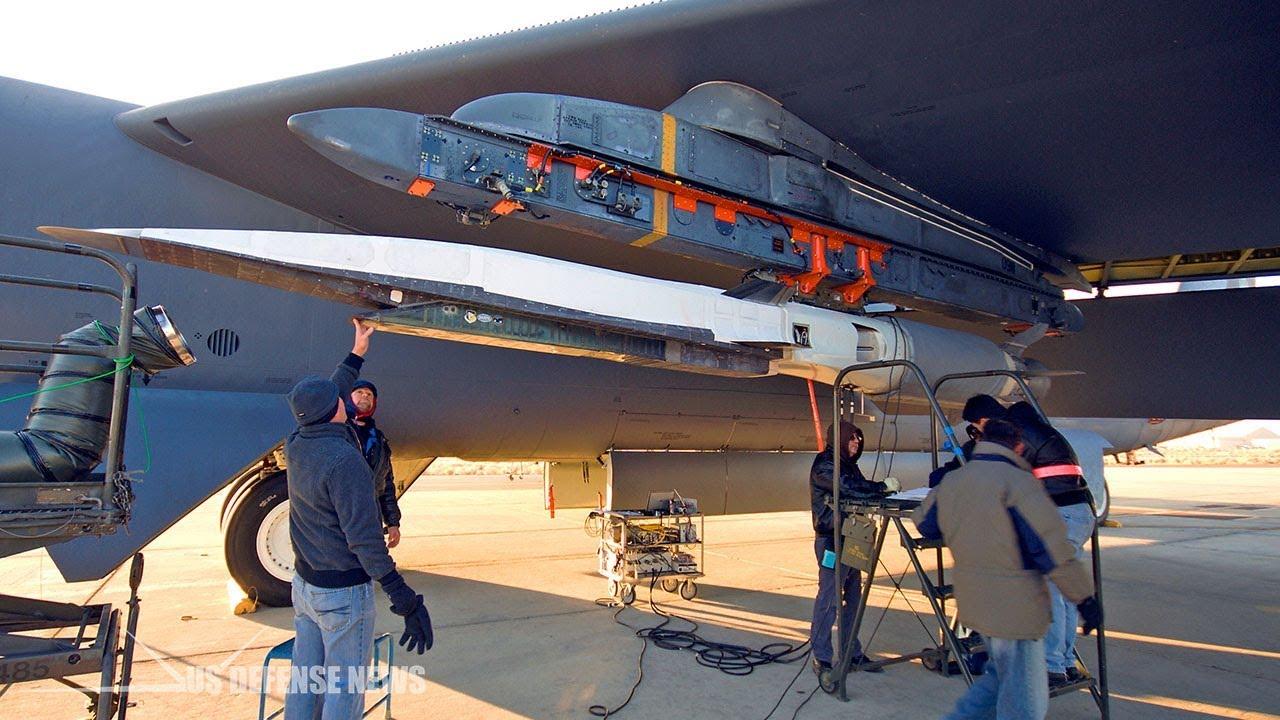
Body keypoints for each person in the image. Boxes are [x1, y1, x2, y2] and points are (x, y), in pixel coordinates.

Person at [284, 320, 433, 720]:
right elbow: (365, 541)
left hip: (306, 585)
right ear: (335, 409)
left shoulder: (297, 441)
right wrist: (403, 598)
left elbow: (329, 393)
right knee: (343, 691)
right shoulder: (344, 463)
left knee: (305, 680)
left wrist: (357, 353)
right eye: (340, 398)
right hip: (342, 594)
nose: (346, 397)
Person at [912, 420, 1101, 720]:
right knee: (1026, 705)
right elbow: (1052, 550)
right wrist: (1085, 600)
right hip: (1016, 610)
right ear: (1018, 447)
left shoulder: (954, 481)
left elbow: (924, 522)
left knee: (997, 682)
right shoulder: (1021, 485)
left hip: (978, 604)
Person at [1006, 401, 1096, 688]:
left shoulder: (1025, 436)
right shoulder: (1051, 435)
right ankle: (1066, 662)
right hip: (1079, 514)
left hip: (1061, 516)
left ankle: (1052, 667)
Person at [809, 421, 887, 680]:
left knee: (853, 599)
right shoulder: (825, 465)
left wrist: (880, 492)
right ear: (840, 439)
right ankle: (822, 657)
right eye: (852, 438)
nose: (856, 443)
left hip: (852, 537)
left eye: (858, 438)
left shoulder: (849, 465)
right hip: (832, 540)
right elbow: (847, 487)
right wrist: (881, 487)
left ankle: (852, 652)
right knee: (829, 599)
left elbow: (860, 489)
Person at [349, 378, 403, 549]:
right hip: (341, 519)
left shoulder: (378, 439)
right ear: (349, 398)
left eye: (369, 394)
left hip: (370, 520)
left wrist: (392, 523)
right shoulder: (338, 432)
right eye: (359, 392)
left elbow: (386, 483)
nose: (365, 396)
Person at [929, 394, 1007, 487]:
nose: (976, 429)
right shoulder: (973, 445)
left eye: (976, 426)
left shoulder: (1008, 440)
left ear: (983, 421)